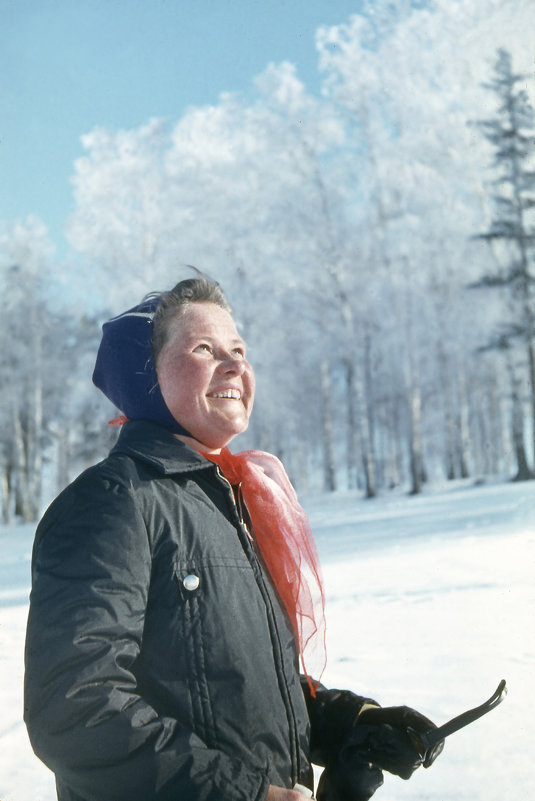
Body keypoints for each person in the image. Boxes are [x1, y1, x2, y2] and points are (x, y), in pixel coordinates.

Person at [24, 275, 443, 801]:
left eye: (239, 350)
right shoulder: (113, 502)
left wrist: (354, 723)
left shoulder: (233, 502)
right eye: (204, 348)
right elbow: (75, 710)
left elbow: (242, 692)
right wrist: (241, 794)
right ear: (145, 375)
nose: (235, 365)